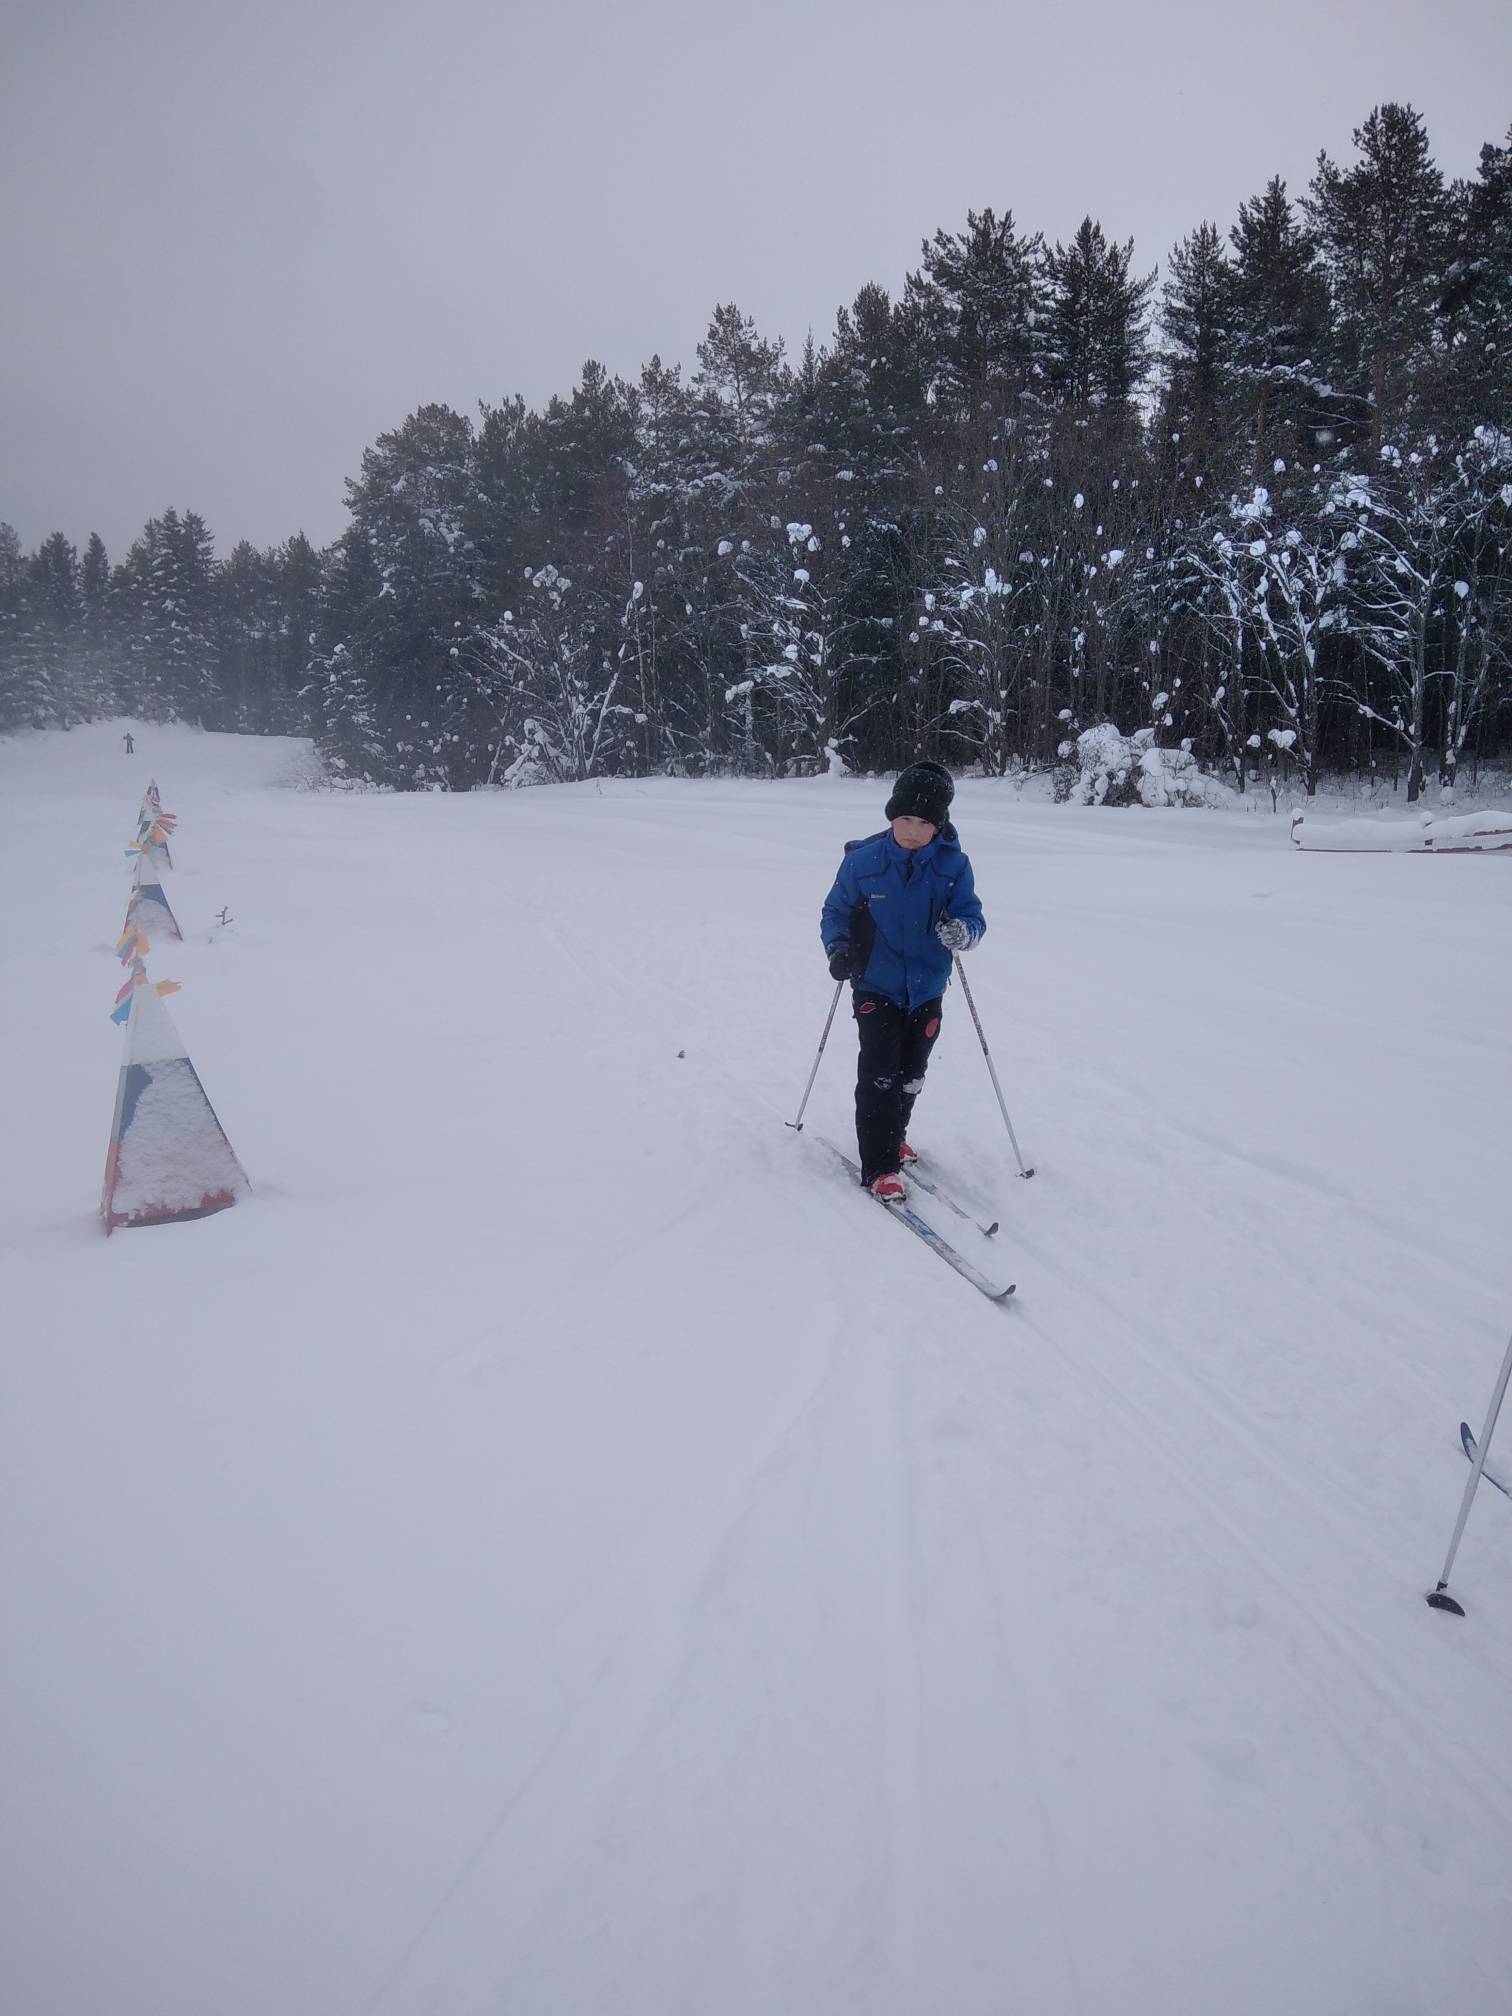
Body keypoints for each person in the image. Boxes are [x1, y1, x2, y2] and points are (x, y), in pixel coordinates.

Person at [820, 761, 986, 1202]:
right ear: (891, 816)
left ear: (939, 826)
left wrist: (963, 932)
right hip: (875, 983)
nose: (913, 831)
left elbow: (973, 917)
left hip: (928, 987)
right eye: (905, 819)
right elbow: (835, 912)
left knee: (911, 1073)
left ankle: (895, 1135)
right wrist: (839, 949)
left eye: (925, 822)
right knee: (879, 1073)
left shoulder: (954, 865)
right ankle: (880, 1166)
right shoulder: (863, 862)